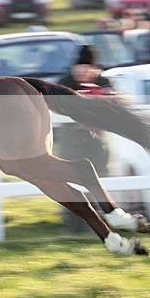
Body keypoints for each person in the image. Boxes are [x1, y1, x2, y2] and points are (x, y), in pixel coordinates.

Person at [56, 45, 113, 233]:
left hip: (98, 141)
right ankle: (72, 222)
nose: (82, 72)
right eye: (79, 67)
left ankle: (98, 221)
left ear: (95, 68)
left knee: (100, 177)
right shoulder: (64, 82)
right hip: (71, 142)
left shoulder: (103, 82)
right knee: (69, 179)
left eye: (87, 67)